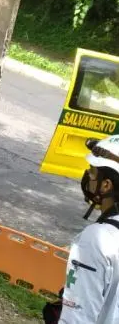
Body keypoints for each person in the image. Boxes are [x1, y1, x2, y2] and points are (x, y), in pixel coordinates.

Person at [56, 135, 119, 323]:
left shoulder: (98, 239)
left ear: (106, 185)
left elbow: (77, 316)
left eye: (92, 172)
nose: (87, 177)